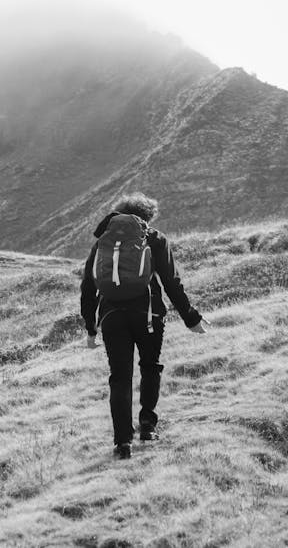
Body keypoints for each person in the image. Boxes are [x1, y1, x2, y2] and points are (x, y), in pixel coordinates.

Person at [80, 192, 207, 459]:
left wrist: (91, 328)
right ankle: (147, 426)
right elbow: (172, 282)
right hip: (148, 315)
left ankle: (122, 443)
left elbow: (88, 286)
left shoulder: (103, 241)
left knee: (119, 377)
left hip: (111, 316)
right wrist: (191, 317)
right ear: (147, 216)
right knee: (150, 366)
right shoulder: (154, 238)